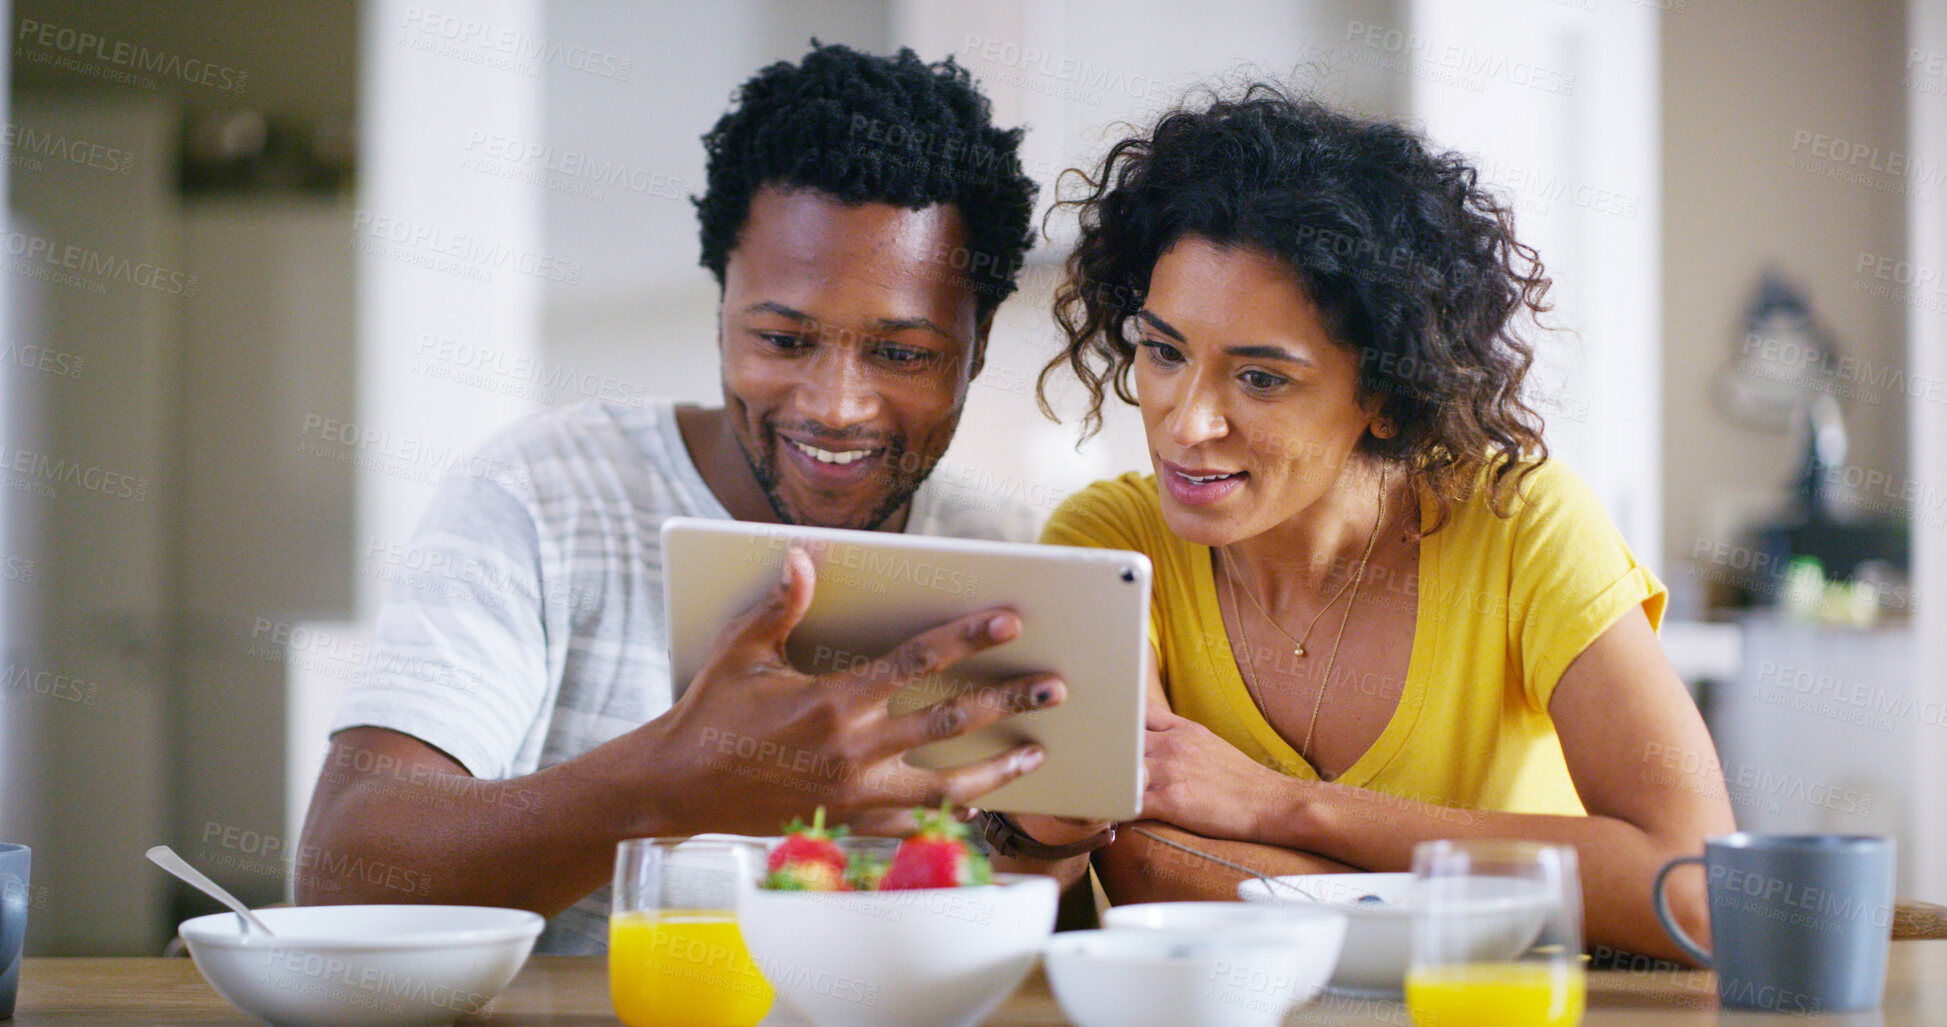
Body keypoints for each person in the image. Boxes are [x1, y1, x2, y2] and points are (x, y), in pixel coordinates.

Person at [296, 42, 1070, 954]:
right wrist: (677, 781)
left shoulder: (1024, 571)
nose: (834, 405)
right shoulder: (542, 494)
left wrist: (1049, 838)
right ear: (721, 307)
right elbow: (343, 879)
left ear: (975, 350)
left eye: (902, 354)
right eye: (784, 340)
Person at [1034, 86, 1736, 961]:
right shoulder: (1109, 545)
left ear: (1385, 390)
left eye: (1258, 378)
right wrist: (1529, 896)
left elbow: (1690, 890)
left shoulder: (1524, 526)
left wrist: (1275, 805)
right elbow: (1150, 862)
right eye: (1164, 350)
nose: (1185, 422)